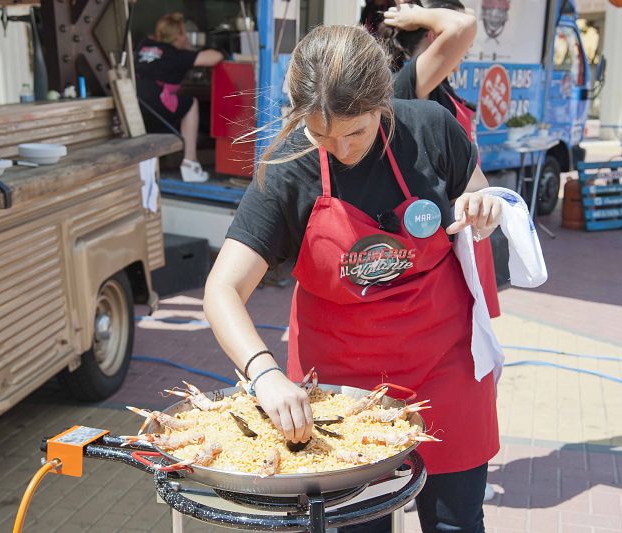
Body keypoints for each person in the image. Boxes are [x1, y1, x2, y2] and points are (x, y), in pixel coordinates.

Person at [204, 25, 524, 532]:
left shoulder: (432, 130)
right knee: (355, 524)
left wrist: (483, 207)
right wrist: (264, 374)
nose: (341, 149)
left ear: (383, 104)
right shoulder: (290, 170)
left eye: (355, 131)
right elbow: (222, 290)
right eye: (320, 133)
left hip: (446, 365)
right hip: (338, 387)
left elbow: (475, 192)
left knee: (457, 521)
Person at [386, 0, 502, 319]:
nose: (465, 49)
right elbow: (465, 26)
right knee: (459, 333)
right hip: (444, 234)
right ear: (434, 36)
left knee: (476, 334)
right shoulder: (410, 81)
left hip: (466, 220)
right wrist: (417, 15)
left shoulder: (438, 83)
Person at [135, 13, 223, 182]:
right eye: (184, 33)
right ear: (179, 36)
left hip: (135, 104)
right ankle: (190, 162)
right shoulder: (175, 55)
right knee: (191, 104)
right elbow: (215, 57)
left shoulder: (144, 45)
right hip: (156, 104)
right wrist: (190, 49)